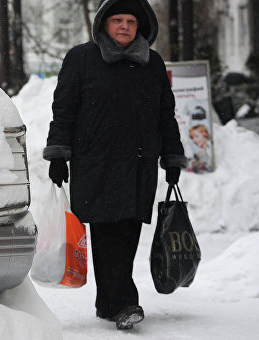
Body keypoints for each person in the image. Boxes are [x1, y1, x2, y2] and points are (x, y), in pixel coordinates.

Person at [42, 0, 187, 330]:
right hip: (97, 163)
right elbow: (63, 109)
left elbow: (166, 114)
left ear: (141, 26)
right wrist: (58, 155)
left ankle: (109, 303)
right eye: (117, 20)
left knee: (128, 233)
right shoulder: (81, 59)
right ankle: (123, 302)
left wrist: (172, 156)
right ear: (103, 24)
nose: (124, 26)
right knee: (107, 233)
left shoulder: (152, 64)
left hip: (139, 164)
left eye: (131, 21)